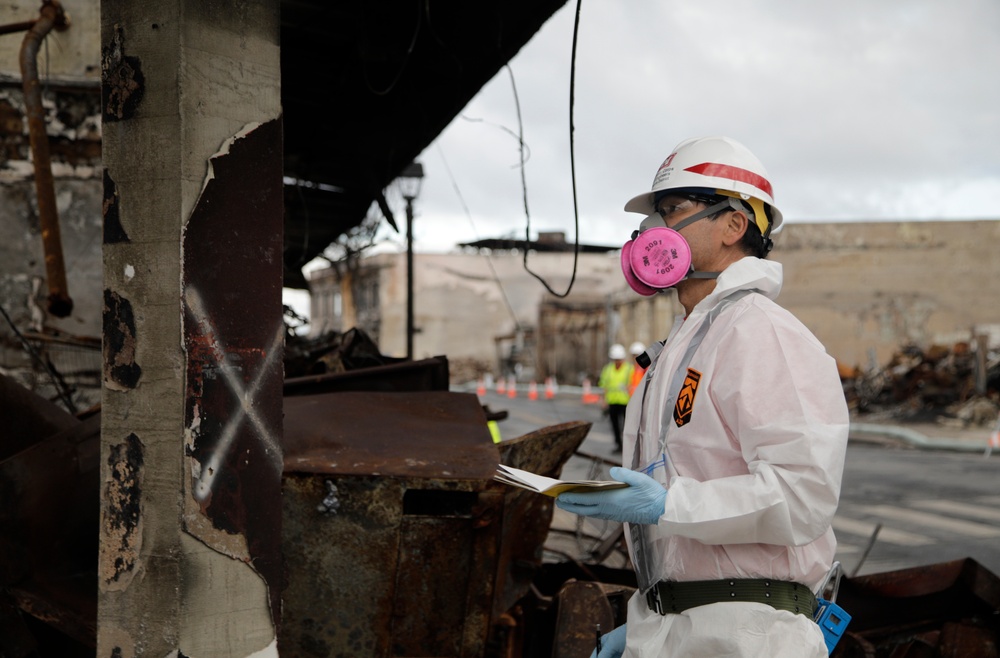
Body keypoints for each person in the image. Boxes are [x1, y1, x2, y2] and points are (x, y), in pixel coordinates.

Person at [556, 136, 849, 657]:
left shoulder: (759, 332)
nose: (654, 232)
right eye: (654, 219)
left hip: (746, 634)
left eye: (672, 211)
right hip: (684, 626)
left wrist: (668, 504)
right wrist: (653, 621)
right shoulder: (686, 343)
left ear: (734, 225)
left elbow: (802, 495)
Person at [598, 343, 633, 452]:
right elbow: (604, 385)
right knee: (615, 425)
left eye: (619, 359)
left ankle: (628, 446)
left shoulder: (629, 369)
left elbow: (634, 384)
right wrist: (603, 400)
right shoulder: (608, 369)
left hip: (626, 402)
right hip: (612, 401)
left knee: (627, 426)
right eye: (615, 359)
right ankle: (619, 445)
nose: (617, 361)